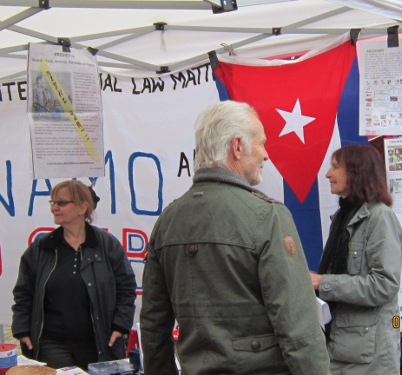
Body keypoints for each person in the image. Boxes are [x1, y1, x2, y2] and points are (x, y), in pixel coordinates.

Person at [140, 101, 330, 375]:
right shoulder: (267, 216)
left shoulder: (168, 220)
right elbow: (298, 327)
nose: (266, 154)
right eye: (262, 143)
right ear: (237, 146)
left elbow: (154, 323)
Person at [11, 180, 137, 370]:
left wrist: (120, 325)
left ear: (82, 207)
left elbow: (126, 288)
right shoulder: (42, 248)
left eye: (61, 203)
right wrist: (22, 329)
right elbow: (23, 292)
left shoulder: (107, 245)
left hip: (99, 342)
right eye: (52, 202)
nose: (55, 208)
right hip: (51, 343)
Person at [310, 144, 402, 375]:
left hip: (368, 359)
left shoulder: (380, 217)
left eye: (335, 167)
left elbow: (384, 285)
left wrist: (323, 283)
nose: (327, 174)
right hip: (341, 349)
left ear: (356, 172)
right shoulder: (343, 217)